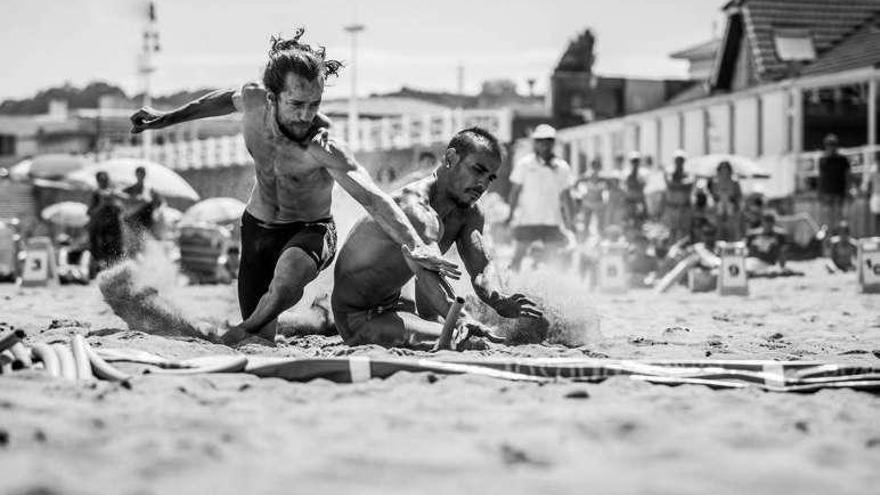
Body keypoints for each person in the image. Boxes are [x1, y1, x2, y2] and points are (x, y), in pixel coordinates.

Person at [130, 28, 457, 345]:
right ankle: (275, 326)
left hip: (311, 230)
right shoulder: (253, 100)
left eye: (314, 104)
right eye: (296, 104)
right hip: (257, 230)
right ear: (271, 97)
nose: (306, 115)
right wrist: (164, 118)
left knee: (289, 272)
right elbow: (215, 102)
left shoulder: (323, 145)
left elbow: (373, 198)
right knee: (261, 339)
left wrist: (415, 244)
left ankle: (238, 330)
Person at [332, 128, 542, 348]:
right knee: (466, 341)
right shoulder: (414, 207)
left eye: (490, 177)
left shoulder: (470, 211)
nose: (483, 184)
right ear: (450, 158)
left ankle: (435, 323)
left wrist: (499, 299)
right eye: (477, 170)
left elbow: (480, 267)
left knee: (462, 328)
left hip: (402, 303)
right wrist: (461, 320)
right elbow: (426, 272)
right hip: (359, 316)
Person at [505, 124, 574, 271]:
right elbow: (515, 192)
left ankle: (550, 288)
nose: (544, 144)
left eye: (548, 140)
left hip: (551, 220)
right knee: (518, 257)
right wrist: (510, 216)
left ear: (553, 142)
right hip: (528, 219)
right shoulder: (524, 164)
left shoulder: (562, 167)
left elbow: (566, 197)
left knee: (552, 260)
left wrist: (570, 221)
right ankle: (508, 289)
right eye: (540, 140)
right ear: (536, 143)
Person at [87, 171, 125, 276]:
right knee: (100, 257)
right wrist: (102, 205)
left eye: (105, 180)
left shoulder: (115, 193)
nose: (103, 182)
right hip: (100, 231)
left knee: (116, 257)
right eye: (101, 180)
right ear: (98, 181)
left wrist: (113, 202)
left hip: (114, 231)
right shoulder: (96, 194)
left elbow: (122, 210)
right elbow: (90, 212)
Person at [122, 165, 162, 255]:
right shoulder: (130, 189)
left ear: (145, 175)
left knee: (145, 244)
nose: (140, 176)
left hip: (146, 221)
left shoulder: (150, 190)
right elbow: (121, 198)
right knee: (133, 245)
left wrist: (156, 212)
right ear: (136, 175)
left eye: (142, 174)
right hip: (133, 220)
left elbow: (159, 203)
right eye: (139, 174)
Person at [818, 134, 851, 228]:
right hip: (827, 192)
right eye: (829, 145)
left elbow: (848, 175)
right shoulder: (823, 160)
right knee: (828, 217)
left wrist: (848, 190)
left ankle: (839, 234)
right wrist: (819, 192)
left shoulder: (842, 159)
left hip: (839, 192)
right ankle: (829, 234)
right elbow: (821, 177)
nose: (830, 147)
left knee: (840, 216)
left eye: (832, 144)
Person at [661, 150, 694, 242]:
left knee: (684, 231)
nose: (679, 162)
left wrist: (678, 184)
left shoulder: (688, 174)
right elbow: (670, 184)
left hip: (684, 208)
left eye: (681, 160)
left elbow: (689, 184)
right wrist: (680, 184)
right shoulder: (670, 173)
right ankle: (671, 250)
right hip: (672, 208)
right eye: (677, 160)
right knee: (672, 230)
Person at [571, 159, 607, 241]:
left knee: (600, 224)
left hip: (598, 204)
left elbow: (612, 185)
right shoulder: (587, 177)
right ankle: (584, 242)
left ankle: (601, 241)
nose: (596, 169)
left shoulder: (603, 178)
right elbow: (575, 184)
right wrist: (578, 194)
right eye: (594, 166)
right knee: (586, 224)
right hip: (588, 203)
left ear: (600, 168)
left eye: (597, 167)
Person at [707, 161, 743, 241]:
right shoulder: (715, 183)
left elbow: (739, 197)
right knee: (719, 230)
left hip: (731, 210)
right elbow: (712, 197)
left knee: (732, 230)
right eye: (722, 169)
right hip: (719, 210)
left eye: (726, 169)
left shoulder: (734, 183)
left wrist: (734, 201)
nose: (724, 171)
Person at [622, 151, 648, 230]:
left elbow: (642, 186)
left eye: (637, 161)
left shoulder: (643, 173)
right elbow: (627, 184)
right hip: (629, 202)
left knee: (639, 222)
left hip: (639, 202)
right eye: (633, 161)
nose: (635, 163)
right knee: (628, 222)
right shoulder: (626, 172)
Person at [862, 160, 880, 235]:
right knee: (876, 218)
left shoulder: (873, 170)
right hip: (876, 196)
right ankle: (877, 235)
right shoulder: (873, 169)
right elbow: (868, 185)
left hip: (875, 196)